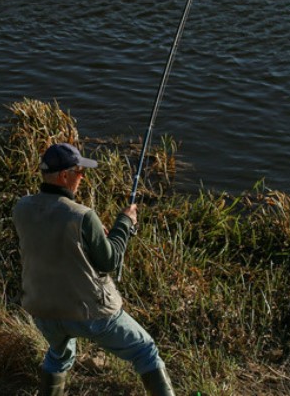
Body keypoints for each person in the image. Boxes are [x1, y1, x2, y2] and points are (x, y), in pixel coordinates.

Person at [13, 143, 174, 396]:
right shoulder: (83, 215)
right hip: (90, 312)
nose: (82, 176)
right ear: (64, 176)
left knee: (58, 355)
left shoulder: (21, 208)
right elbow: (108, 261)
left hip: (44, 311)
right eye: (79, 171)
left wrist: (93, 238)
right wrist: (125, 222)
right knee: (145, 351)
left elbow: (55, 243)